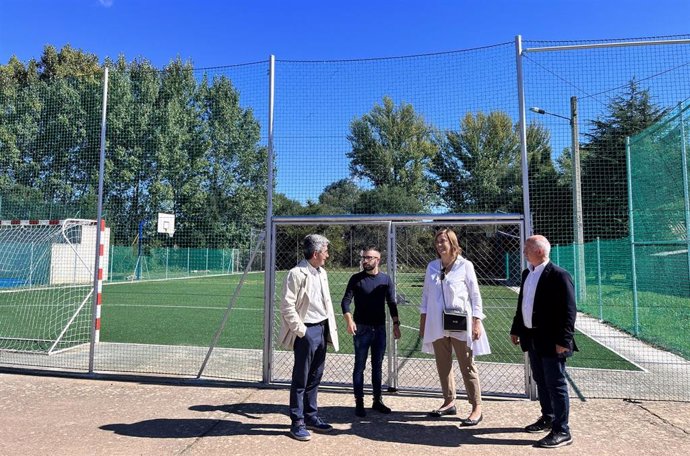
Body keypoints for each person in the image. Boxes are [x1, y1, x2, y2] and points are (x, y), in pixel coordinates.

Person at [510, 234, 578, 449]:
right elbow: (523, 304)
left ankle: (562, 430)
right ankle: (547, 417)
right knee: (540, 380)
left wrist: (563, 340)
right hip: (533, 339)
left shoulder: (559, 275)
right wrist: (516, 328)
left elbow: (569, 311)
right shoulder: (527, 274)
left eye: (526, 248)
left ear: (538, 251)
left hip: (552, 340)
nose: (523, 252)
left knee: (556, 384)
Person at [419, 228, 490, 426]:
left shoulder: (465, 266)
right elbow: (425, 296)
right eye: (438, 242)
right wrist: (423, 321)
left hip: (460, 322)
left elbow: (475, 295)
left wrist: (477, 320)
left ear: (452, 243)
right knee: (443, 364)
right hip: (437, 322)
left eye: (444, 241)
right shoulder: (432, 266)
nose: (440, 245)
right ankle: (449, 401)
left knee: (467, 365)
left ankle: (476, 407)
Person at [279, 234, 339, 442]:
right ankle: (297, 422)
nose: (327, 255)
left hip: (322, 329)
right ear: (315, 253)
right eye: (325, 251)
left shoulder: (322, 273)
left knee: (316, 376)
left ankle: (311, 416)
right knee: (301, 378)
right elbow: (287, 305)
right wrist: (301, 331)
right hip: (307, 331)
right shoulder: (295, 274)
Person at [341, 246, 401, 418]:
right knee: (359, 366)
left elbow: (391, 302)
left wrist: (396, 324)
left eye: (369, 257)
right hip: (361, 329)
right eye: (363, 257)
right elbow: (345, 302)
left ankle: (377, 400)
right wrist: (349, 320)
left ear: (378, 260)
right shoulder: (356, 279)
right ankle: (359, 402)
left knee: (377, 366)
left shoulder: (385, 280)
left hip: (380, 329)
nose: (365, 260)